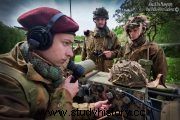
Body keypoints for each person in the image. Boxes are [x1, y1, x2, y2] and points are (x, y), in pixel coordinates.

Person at [0, 7, 110, 120]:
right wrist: (65, 94)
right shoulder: (6, 80)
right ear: (40, 39)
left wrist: (90, 109)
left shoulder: (45, 68)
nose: (71, 53)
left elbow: (52, 110)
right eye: (65, 43)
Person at [120, 15, 167, 86]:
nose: (132, 33)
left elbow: (160, 76)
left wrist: (157, 82)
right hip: (124, 85)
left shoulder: (154, 49)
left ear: (143, 29)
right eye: (130, 31)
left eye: (135, 30)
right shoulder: (126, 47)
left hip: (143, 88)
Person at [81, 7, 121, 72]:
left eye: (102, 19)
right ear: (95, 20)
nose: (100, 22)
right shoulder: (88, 36)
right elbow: (83, 55)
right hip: (91, 72)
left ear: (105, 20)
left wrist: (112, 54)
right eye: (98, 19)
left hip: (107, 72)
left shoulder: (112, 36)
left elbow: (120, 51)